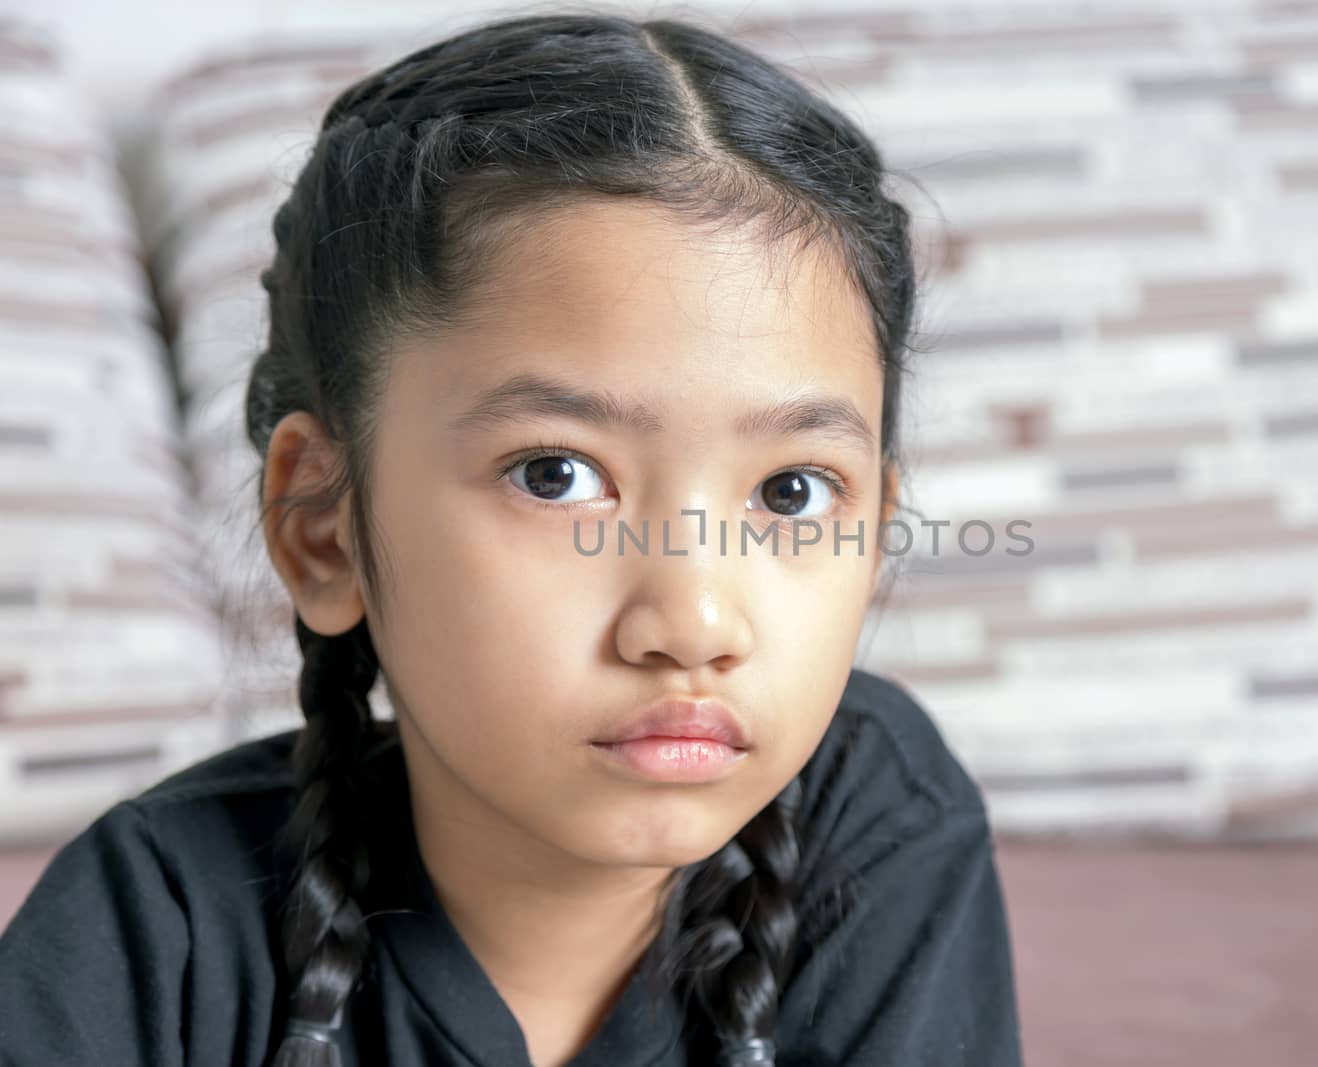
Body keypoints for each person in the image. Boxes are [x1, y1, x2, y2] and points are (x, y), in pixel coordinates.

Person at [0, 10, 1025, 1066]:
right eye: (556, 474)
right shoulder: (152, 928)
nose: (692, 621)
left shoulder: (874, 811)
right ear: (323, 529)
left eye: (793, 490)